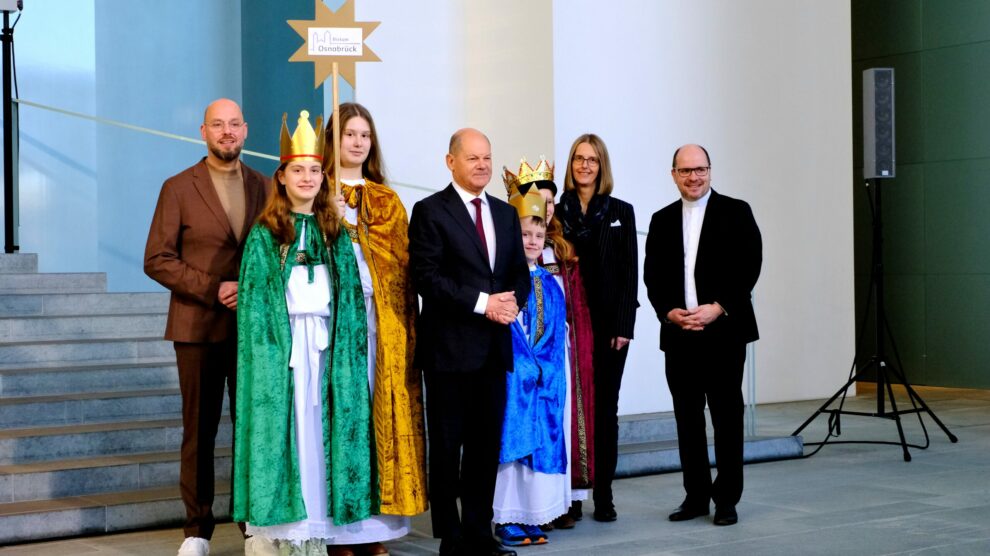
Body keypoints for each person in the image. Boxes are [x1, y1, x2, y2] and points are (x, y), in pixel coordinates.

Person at [232, 111, 376, 554]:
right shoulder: (265, 233)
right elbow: (255, 306)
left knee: (320, 435)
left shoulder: (335, 231)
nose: (309, 177)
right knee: (291, 432)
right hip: (286, 354)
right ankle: (288, 534)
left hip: (328, 350)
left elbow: (350, 300)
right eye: (299, 170)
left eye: (315, 170)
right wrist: (275, 352)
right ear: (281, 176)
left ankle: (320, 527)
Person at [144, 98, 269, 556]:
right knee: (199, 431)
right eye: (218, 125)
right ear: (203, 132)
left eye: (234, 124)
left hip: (254, 330)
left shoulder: (265, 185)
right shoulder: (178, 187)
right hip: (197, 326)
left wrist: (253, 288)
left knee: (254, 428)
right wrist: (214, 287)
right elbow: (156, 259)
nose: (227, 132)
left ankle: (254, 523)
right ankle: (196, 531)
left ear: (246, 130)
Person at [408, 128, 531, 556]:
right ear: (451, 162)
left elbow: (518, 271)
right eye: (473, 158)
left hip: (494, 349)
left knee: (483, 447)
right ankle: (451, 536)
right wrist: (484, 304)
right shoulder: (429, 211)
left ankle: (480, 531)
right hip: (449, 350)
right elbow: (427, 277)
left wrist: (511, 303)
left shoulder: (504, 212)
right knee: (447, 446)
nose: (482, 165)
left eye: (487, 158)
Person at [321, 102, 428, 556]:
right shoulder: (314, 190)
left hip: (379, 323)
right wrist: (334, 217)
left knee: (377, 414)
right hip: (332, 325)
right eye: (349, 133)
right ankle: (338, 531)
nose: (358, 142)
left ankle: (374, 532)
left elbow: (401, 266)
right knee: (341, 417)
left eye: (365, 134)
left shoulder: (386, 200)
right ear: (333, 139)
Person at [643, 144, 762, 527]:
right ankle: (695, 496)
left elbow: (750, 264)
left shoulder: (737, 211)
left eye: (700, 169)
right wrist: (669, 312)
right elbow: (653, 276)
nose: (693, 177)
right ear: (673, 174)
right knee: (687, 419)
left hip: (724, 332)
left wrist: (719, 306)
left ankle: (726, 499)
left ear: (710, 170)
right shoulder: (661, 220)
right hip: (680, 336)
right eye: (685, 170)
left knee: (727, 418)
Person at [557, 134, 639, 522]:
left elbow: (629, 274)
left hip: (609, 328)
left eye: (592, 159)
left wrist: (625, 325)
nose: (585, 165)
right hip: (568, 326)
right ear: (570, 164)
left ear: (602, 165)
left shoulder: (622, 210)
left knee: (606, 411)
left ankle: (603, 495)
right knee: (571, 409)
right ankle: (571, 497)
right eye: (578, 159)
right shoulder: (556, 213)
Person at [492, 164, 570, 547]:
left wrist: (549, 369)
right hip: (515, 378)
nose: (533, 240)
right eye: (525, 233)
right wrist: (523, 364)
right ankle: (506, 517)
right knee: (511, 455)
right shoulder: (504, 279)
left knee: (537, 453)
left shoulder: (550, 284)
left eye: (539, 234)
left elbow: (557, 333)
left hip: (544, 380)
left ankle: (530, 514)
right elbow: (509, 326)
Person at [532, 175, 595, 530]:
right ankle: (535, 504)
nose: (547, 206)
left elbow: (577, 302)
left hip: (562, 349)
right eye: (539, 200)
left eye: (551, 201)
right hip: (530, 350)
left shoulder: (563, 248)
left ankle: (566, 499)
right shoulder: (520, 245)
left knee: (566, 421)